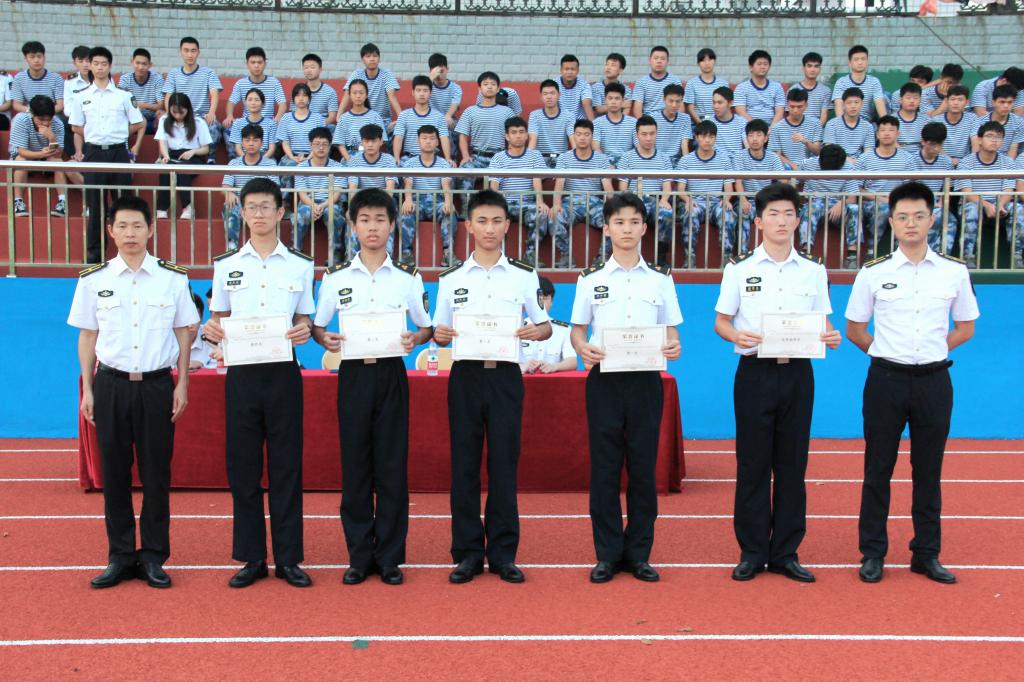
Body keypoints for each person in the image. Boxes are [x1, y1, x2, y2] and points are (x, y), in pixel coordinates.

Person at [845, 180, 979, 585]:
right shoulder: (873, 272)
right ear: (891, 221)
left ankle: (926, 553)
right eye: (902, 216)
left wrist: (933, 349)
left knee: (928, 470)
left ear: (932, 219)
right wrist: (886, 353)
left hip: (934, 381)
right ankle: (872, 553)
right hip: (886, 379)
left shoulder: (954, 271)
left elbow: (966, 327)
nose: (911, 223)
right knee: (877, 469)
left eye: (919, 216)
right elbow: (855, 329)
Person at [67, 194, 197, 589]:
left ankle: (154, 556)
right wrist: (88, 388)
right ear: (110, 231)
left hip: (157, 385)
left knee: (157, 474)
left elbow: (184, 333)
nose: (130, 233)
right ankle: (120, 556)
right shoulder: (94, 279)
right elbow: (87, 336)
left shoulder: (173, 278)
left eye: (137, 226)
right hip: (110, 385)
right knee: (115, 473)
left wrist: (182, 382)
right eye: (122, 226)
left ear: (150, 230)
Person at [713, 183, 841, 584]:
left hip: (798, 374)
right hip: (755, 372)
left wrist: (830, 336)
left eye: (788, 214)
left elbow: (823, 321)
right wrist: (737, 335)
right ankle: (752, 552)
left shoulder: (814, 270)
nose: (781, 221)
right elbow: (721, 322)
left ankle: (786, 552)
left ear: (798, 220)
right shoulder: (739, 269)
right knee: (752, 464)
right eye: (773, 214)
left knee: (792, 464)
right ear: (758, 222)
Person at [312, 187, 433, 587]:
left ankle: (391, 558)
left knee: (392, 467)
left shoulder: (407, 278)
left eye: (380, 219)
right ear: (352, 226)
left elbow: (426, 327)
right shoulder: (335, 278)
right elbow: (318, 327)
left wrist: (416, 339)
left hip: (391, 375)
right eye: (364, 220)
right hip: (353, 376)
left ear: (392, 225)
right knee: (356, 467)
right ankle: (359, 556)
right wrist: (324, 339)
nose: (373, 227)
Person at [432, 189, 552, 585]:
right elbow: (439, 331)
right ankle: (467, 553)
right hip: (465, 376)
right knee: (464, 465)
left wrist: (537, 330)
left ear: (507, 226)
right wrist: (441, 335)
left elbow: (545, 326)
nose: (489, 229)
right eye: (481, 221)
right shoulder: (451, 278)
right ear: (468, 225)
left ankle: (502, 554)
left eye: (497, 221)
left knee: (503, 464)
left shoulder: (523, 275)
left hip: (505, 377)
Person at [202, 177, 316, 589]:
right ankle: (252, 557)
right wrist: (212, 332)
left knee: (287, 467)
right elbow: (217, 320)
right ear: (243, 212)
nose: (259, 214)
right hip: (242, 375)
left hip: (284, 373)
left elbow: (304, 319)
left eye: (267, 206)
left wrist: (304, 330)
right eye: (252, 207)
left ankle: (288, 559)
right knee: (244, 468)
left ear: (281, 212)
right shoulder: (226, 266)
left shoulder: (300, 265)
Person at [570, 192, 682, 584]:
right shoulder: (591, 279)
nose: (627, 229)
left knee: (642, 469)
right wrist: (582, 348)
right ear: (607, 229)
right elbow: (578, 331)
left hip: (646, 381)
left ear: (645, 228)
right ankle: (607, 554)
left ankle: (638, 554)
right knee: (604, 469)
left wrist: (673, 346)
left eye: (634, 222)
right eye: (619, 222)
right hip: (604, 381)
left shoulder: (661, 279)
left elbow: (672, 332)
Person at [68, 46, 145, 264]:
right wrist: (95, 136)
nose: (100, 68)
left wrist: (118, 134)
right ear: (90, 66)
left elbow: (138, 122)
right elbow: (75, 126)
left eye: (104, 64)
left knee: (124, 205)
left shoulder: (123, 96)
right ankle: (95, 254)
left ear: (110, 66)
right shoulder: (81, 96)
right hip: (94, 152)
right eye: (96, 63)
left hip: (118, 152)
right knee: (96, 205)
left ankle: (127, 252)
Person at [845, 115, 914, 268]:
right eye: (883, 130)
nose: (887, 133)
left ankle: (901, 253)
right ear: (877, 134)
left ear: (898, 134)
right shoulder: (865, 158)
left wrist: (894, 201)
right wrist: (882, 199)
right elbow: (857, 188)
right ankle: (871, 251)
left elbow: (909, 188)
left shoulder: (908, 158)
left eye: (891, 130)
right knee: (882, 208)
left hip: (899, 203)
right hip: (871, 202)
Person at [487, 117, 552, 266]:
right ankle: (497, 257)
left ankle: (530, 256)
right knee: (492, 217)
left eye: (521, 132)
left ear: (527, 135)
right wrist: (496, 205)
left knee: (541, 214)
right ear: (507, 136)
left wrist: (540, 202)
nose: (518, 135)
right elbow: (494, 186)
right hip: (505, 204)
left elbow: (536, 179)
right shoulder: (498, 158)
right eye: (514, 132)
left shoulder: (535, 155)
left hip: (527, 203)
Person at [955, 121, 1019, 268]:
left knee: (1019, 210)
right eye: (990, 136)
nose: (994, 140)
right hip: (975, 203)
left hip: (1000, 204)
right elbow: (967, 193)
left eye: (998, 137)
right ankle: (967, 256)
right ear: (979, 139)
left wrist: (999, 205)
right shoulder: (966, 162)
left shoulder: (1008, 163)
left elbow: (1008, 191)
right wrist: (987, 205)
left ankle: (1018, 256)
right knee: (971, 209)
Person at [614, 115, 675, 265]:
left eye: (652, 134)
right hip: (633, 200)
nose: (648, 138)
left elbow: (667, 186)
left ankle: (661, 256)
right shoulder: (627, 158)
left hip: (655, 199)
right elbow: (623, 188)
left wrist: (664, 200)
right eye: (644, 134)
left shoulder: (664, 158)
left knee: (667, 213)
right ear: (637, 135)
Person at [553, 119, 613, 269]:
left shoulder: (601, 159)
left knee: (614, 220)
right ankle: (566, 257)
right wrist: (556, 204)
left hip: (594, 202)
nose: (582, 138)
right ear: (574, 135)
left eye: (586, 134)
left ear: (592, 136)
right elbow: (559, 184)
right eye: (579, 134)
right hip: (570, 202)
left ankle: (602, 258)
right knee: (555, 217)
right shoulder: (564, 158)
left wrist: (611, 206)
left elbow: (607, 187)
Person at [676, 120, 737, 266]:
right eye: (703, 136)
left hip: (716, 202)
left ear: (715, 138)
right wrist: (688, 200)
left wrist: (726, 199)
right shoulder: (686, 161)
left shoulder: (724, 160)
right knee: (691, 213)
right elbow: (680, 190)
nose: (707, 140)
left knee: (728, 215)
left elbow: (729, 189)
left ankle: (726, 259)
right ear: (697, 137)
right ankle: (689, 258)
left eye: (711, 137)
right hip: (696, 202)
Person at [399, 124, 458, 267]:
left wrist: (448, 201)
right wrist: (407, 200)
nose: (428, 141)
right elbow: (408, 184)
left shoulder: (443, 164)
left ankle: (448, 253)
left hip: (436, 200)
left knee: (449, 212)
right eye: (424, 138)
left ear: (437, 142)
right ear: (418, 141)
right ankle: (406, 254)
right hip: (417, 200)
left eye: (432, 138)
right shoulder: (410, 163)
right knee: (406, 213)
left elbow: (445, 185)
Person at [162, 37, 223, 163]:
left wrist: (211, 112)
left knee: (214, 126)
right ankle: (165, 156)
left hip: (201, 115)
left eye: (193, 51)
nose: (190, 55)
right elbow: (168, 96)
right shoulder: (173, 73)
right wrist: (169, 113)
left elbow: (215, 93)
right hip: (180, 113)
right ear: (180, 52)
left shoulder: (208, 73)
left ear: (198, 52)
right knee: (163, 121)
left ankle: (210, 158)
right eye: (186, 50)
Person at [9, 95, 72, 218]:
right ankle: (18, 202)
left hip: (47, 156)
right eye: (41, 119)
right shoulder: (21, 120)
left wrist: (52, 138)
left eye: (49, 119)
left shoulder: (58, 123)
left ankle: (62, 202)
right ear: (32, 114)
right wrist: (41, 153)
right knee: (22, 161)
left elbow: (59, 153)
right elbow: (22, 151)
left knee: (57, 161)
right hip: (25, 155)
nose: (46, 123)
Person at [155, 92, 212, 221]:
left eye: (181, 112)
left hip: (194, 156)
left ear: (188, 109)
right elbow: (162, 142)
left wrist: (193, 151)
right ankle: (162, 208)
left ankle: (188, 207)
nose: (178, 116)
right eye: (174, 112)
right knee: (166, 170)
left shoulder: (198, 122)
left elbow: (206, 149)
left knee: (182, 169)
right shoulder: (164, 120)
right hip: (173, 155)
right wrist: (165, 156)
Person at [293, 127, 347, 264]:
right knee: (301, 214)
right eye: (317, 144)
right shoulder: (302, 167)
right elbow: (302, 194)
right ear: (310, 145)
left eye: (324, 144)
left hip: (329, 202)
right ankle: (296, 251)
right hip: (308, 202)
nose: (321, 148)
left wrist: (322, 206)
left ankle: (336, 253)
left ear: (330, 145)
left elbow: (336, 195)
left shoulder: (338, 167)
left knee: (333, 212)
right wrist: (314, 205)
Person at [222, 124, 280, 251]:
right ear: (242, 142)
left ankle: (268, 248)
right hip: (241, 202)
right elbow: (226, 185)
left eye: (255, 140)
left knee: (270, 206)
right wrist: (229, 193)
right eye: (247, 140)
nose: (251, 143)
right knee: (229, 207)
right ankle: (231, 247)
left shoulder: (270, 164)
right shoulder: (234, 163)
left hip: (262, 202)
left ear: (262, 143)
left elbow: (275, 188)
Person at [733, 119, 788, 254]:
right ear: (746, 138)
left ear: (765, 138)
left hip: (766, 201)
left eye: (758, 135)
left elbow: (784, 181)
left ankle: (775, 253)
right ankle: (743, 254)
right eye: (751, 135)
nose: (754, 139)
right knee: (743, 213)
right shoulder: (739, 156)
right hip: (748, 200)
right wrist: (743, 200)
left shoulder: (773, 157)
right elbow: (738, 181)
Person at [455, 72, 516, 191]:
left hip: (500, 158)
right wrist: (465, 156)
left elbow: (514, 135)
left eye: (493, 84)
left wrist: (510, 155)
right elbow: (462, 136)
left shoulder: (507, 112)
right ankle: (468, 204)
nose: (489, 87)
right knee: (464, 172)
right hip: (477, 158)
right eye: (486, 84)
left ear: (497, 88)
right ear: (479, 88)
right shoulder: (470, 111)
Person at [797, 143, 859, 253]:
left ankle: (852, 253)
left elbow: (852, 198)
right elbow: (796, 182)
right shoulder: (807, 164)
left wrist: (841, 203)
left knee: (854, 209)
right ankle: (807, 251)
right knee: (810, 209)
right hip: (814, 201)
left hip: (838, 204)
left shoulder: (849, 168)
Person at [911, 122, 957, 255]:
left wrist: (942, 203)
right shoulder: (911, 160)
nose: (936, 148)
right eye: (932, 144)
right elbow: (912, 189)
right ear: (923, 142)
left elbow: (947, 187)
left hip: (937, 205)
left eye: (940, 144)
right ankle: (925, 254)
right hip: (916, 203)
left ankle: (942, 256)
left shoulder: (946, 162)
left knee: (949, 219)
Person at [521, 276, 577, 373]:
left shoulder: (564, 329)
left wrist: (554, 366)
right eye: (537, 299)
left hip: (552, 380)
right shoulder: (518, 327)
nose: (541, 303)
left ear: (551, 302)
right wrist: (523, 366)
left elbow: (572, 361)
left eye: (545, 298)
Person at [224, 47, 287, 133]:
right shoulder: (241, 83)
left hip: (268, 124)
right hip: (247, 125)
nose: (256, 66)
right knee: (227, 128)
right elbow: (231, 102)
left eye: (259, 62)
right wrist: (229, 116)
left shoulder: (274, 82)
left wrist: (278, 118)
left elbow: (282, 103)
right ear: (247, 64)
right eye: (253, 62)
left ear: (265, 63)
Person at [275, 83, 326, 188]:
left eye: (304, 95)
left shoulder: (318, 118)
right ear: (293, 99)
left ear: (309, 99)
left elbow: (321, 142)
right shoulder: (286, 118)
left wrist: (309, 158)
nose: (301, 98)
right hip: (291, 157)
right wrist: (292, 157)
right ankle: (288, 198)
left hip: (314, 156)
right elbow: (285, 142)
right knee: (291, 168)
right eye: (298, 95)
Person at [392, 75, 451, 162]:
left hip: (432, 158)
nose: (422, 94)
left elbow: (444, 138)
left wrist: (448, 158)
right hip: (409, 158)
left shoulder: (439, 116)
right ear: (413, 92)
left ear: (430, 93)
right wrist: (396, 157)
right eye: (418, 90)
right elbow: (398, 137)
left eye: (425, 90)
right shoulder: (404, 115)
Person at [340, 43, 401, 126]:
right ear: (362, 60)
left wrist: (401, 120)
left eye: (375, 56)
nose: (372, 59)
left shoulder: (386, 74)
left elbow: (392, 97)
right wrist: (338, 117)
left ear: (379, 58)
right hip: (361, 120)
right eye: (368, 56)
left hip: (383, 121)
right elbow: (347, 95)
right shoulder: (357, 74)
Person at [331, 79, 388, 163]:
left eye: (361, 93)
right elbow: (340, 144)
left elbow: (381, 141)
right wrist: (349, 160)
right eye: (354, 93)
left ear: (366, 95)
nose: (358, 96)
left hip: (372, 156)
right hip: (350, 156)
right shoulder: (344, 118)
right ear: (349, 95)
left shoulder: (375, 116)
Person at [769, 87, 822, 170]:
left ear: (806, 105)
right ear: (787, 105)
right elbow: (775, 155)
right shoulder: (777, 127)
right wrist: (794, 166)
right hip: (787, 168)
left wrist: (805, 141)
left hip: (811, 168)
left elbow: (818, 152)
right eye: (792, 106)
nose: (795, 110)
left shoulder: (815, 123)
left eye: (799, 107)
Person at [831, 45, 886, 121]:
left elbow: (879, 103)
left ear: (867, 61)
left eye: (863, 59)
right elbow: (838, 106)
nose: (860, 62)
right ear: (849, 62)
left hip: (868, 123)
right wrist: (842, 125)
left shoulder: (874, 82)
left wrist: (885, 123)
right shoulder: (841, 82)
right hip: (847, 122)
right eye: (856, 59)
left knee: (886, 98)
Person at [119, 49, 165, 138]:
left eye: (144, 64)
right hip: (131, 117)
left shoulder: (157, 79)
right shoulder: (125, 79)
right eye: (137, 63)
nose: (140, 67)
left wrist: (141, 105)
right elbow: (121, 103)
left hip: (151, 118)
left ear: (150, 65)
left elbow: (161, 106)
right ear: (132, 62)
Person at [528, 79, 574, 168]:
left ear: (559, 95)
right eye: (545, 94)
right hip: (540, 160)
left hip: (561, 159)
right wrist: (528, 160)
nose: (549, 97)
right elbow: (533, 140)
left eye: (552, 93)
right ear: (541, 97)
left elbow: (573, 141)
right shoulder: (534, 115)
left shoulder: (568, 116)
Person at [733, 50, 785, 126]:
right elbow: (741, 112)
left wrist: (771, 129)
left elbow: (780, 112)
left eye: (765, 64)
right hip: (749, 127)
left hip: (771, 127)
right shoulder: (741, 88)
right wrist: (757, 128)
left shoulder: (777, 87)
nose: (763, 67)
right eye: (759, 64)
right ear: (751, 67)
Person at [11, 41, 64, 115]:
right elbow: (16, 105)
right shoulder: (19, 78)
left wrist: (44, 113)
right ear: (25, 58)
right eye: (32, 57)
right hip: (29, 114)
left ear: (44, 57)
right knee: (18, 120)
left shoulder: (56, 78)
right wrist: (33, 112)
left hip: (50, 115)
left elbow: (60, 105)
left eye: (39, 56)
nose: (36, 60)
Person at [591, 82, 637, 166]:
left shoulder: (634, 123)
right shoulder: (596, 123)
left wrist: (624, 165)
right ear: (605, 100)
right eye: (610, 98)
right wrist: (607, 165)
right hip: (604, 166)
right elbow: (595, 148)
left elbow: (638, 147)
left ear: (623, 101)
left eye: (617, 98)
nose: (613, 102)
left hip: (627, 165)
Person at [972, 84, 1023, 158]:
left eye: (1010, 102)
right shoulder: (980, 122)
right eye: (1002, 102)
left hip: (1006, 162)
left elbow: (1012, 151)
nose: (1006, 106)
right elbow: (977, 149)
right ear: (993, 102)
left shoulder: (1019, 123)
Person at [822, 88, 873, 161]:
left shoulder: (868, 126)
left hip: (859, 164)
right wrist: (846, 160)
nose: (853, 106)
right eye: (849, 103)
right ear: (843, 105)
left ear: (862, 104)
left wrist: (858, 163)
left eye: (856, 102)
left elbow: (868, 153)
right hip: (837, 162)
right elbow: (830, 151)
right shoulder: (832, 124)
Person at [630, 46, 682, 117]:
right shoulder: (641, 82)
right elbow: (637, 108)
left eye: (663, 59)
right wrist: (643, 122)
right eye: (656, 58)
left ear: (667, 61)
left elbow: (680, 104)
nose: (659, 61)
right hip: (649, 120)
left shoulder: (675, 81)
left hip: (669, 118)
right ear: (649, 60)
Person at [930, 85, 978, 162]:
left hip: (965, 162)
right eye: (952, 99)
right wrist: (949, 161)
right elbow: (935, 145)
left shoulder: (973, 118)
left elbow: (975, 144)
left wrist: (968, 162)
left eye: (960, 100)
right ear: (946, 101)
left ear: (967, 102)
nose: (956, 103)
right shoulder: (936, 120)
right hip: (941, 161)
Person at [227, 88, 277, 160]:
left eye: (257, 100)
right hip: (244, 156)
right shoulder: (237, 123)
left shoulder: (271, 124)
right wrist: (247, 160)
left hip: (265, 157)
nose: (253, 103)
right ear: (246, 103)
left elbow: (272, 149)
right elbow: (238, 148)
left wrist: (260, 161)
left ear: (263, 103)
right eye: (250, 100)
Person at [684, 47, 728, 123]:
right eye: (703, 60)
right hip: (698, 122)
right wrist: (701, 124)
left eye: (710, 60)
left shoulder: (723, 83)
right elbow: (690, 108)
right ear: (698, 63)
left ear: (714, 61)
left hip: (718, 122)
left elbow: (726, 107)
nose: (707, 63)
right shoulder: (691, 83)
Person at [650, 83, 692, 162]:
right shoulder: (653, 118)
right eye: (671, 101)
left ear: (682, 101)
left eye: (678, 101)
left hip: (676, 159)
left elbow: (684, 145)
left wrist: (686, 163)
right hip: (657, 159)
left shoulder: (685, 118)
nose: (674, 105)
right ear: (664, 99)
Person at [62, 45, 91, 155]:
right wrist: (79, 116)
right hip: (77, 118)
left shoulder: (102, 79)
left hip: (95, 117)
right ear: (74, 63)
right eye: (80, 61)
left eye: (87, 60)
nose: (85, 64)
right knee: (65, 122)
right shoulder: (70, 82)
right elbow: (67, 107)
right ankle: (73, 155)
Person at [789, 52, 830, 126]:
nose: (812, 70)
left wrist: (814, 130)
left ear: (820, 69)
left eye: (816, 66)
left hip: (817, 129)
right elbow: (791, 114)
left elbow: (824, 116)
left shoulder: (825, 91)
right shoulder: (793, 89)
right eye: (809, 66)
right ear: (803, 68)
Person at [428, 53, 462, 139]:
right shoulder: (427, 86)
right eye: (436, 72)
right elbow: (420, 99)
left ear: (447, 69)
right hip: (430, 119)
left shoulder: (456, 88)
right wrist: (430, 79)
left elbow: (455, 104)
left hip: (448, 119)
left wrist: (448, 116)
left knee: (457, 128)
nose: (439, 75)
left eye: (442, 71)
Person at [300, 53, 340, 126]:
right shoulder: (299, 91)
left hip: (321, 128)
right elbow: (293, 114)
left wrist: (316, 126)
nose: (309, 70)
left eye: (312, 67)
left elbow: (332, 117)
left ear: (320, 69)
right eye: (306, 68)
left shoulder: (330, 92)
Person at [709, 86, 747, 160]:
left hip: (737, 162)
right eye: (714, 102)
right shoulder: (709, 122)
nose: (715, 106)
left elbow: (748, 146)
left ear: (730, 103)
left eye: (720, 102)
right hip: (717, 162)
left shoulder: (741, 122)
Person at [557, 54, 594, 121]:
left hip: (579, 123)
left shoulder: (584, 85)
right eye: (566, 69)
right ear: (561, 70)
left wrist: (593, 125)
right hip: (561, 122)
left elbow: (587, 104)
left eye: (573, 69)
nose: (569, 72)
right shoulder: (554, 84)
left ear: (578, 71)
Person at [894, 82, 927, 154]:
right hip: (899, 156)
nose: (912, 101)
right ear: (901, 100)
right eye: (908, 98)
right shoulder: (892, 119)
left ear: (920, 100)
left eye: (915, 98)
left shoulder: (926, 120)